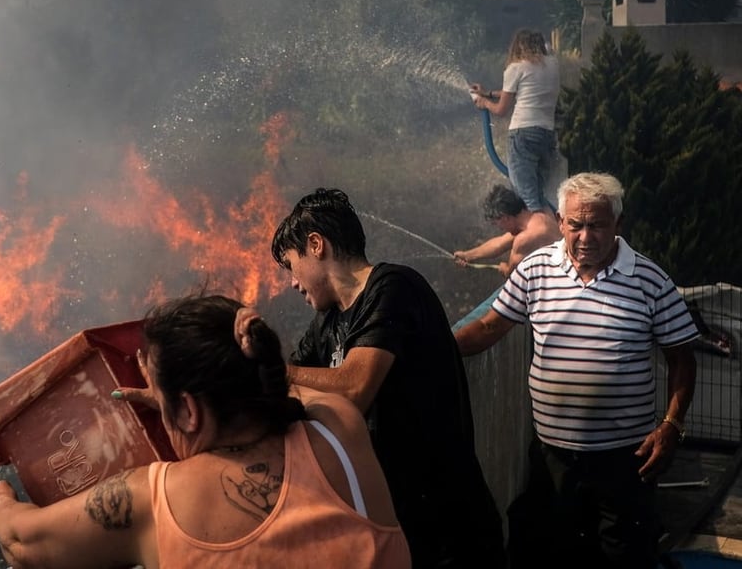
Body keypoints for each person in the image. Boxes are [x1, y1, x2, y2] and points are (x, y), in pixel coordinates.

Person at [0, 294, 411, 569]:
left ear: (189, 410)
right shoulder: (338, 426)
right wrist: (177, 396)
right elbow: (278, 382)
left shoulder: (152, 501)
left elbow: (21, 543)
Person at [454, 172, 699, 569]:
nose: (586, 237)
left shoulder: (651, 281)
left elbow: (681, 357)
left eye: (598, 225)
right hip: (553, 458)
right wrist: (432, 349)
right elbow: (488, 327)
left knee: (624, 555)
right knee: (550, 550)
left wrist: (672, 424)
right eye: (576, 225)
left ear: (618, 225)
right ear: (561, 222)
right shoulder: (535, 269)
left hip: (627, 459)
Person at [268, 187, 505, 568]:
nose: (293, 283)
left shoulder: (394, 286)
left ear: (315, 245)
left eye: (290, 265)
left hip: (449, 528)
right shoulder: (326, 322)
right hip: (394, 525)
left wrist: (272, 372)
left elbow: (354, 388)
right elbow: (284, 387)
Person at [471, 28, 560, 214]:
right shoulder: (552, 65)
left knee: (527, 199)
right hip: (546, 136)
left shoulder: (516, 68)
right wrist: (488, 93)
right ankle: (549, 232)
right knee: (539, 195)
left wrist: (484, 103)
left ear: (518, 46)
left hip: (523, 136)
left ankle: (540, 235)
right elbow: (521, 91)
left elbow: (501, 109)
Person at [454, 183, 560, 277]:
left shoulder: (524, 239)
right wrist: (467, 255)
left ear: (505, 217)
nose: (499, 228)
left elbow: (511, 272)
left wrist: (504, 268)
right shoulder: (538, 214)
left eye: (496, 223)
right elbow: (500, 243)